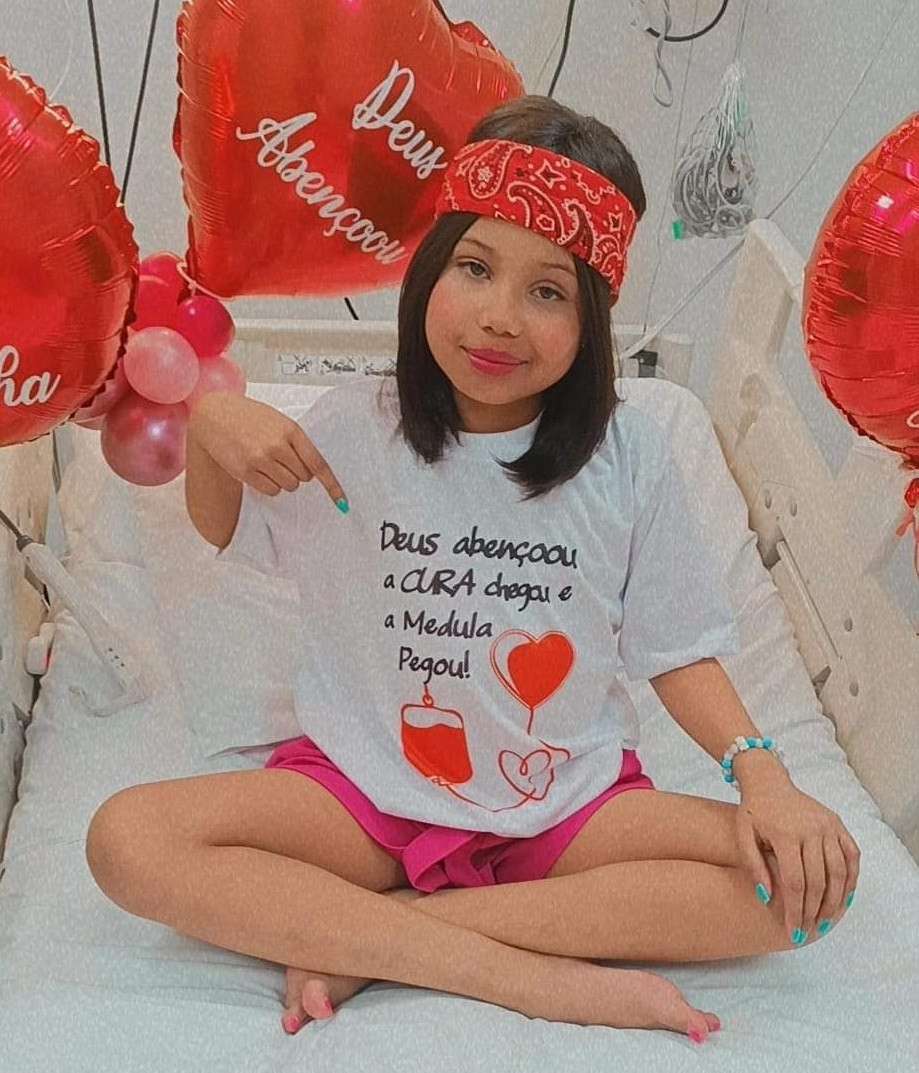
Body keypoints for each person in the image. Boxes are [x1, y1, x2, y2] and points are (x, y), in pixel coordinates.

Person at [85, 95, 859, 1044]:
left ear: (589, 322)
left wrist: (765, 777)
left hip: (563, 806)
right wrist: (209, 423)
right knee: (126, 837)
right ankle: (530, 976)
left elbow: (677, 651)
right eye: (475, 268)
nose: (499, 318)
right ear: (431, 272)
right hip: (360, 799)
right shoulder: (354, 427)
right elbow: (228, 527)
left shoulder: (629, 457)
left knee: (812, 882)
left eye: (548, 292)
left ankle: (385, 934)